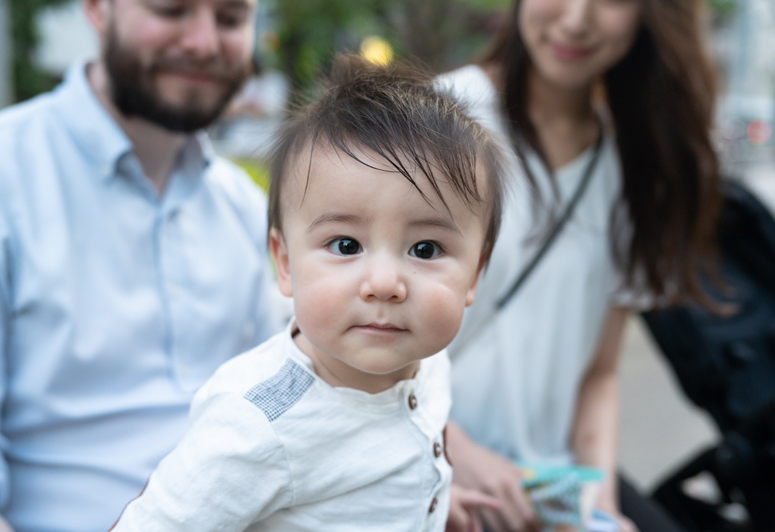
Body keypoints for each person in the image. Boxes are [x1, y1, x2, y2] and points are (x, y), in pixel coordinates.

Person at [110, 54, 506, 531]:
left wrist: (435, 500)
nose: (383, 283)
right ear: (285, 263)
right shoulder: (259, 428)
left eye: (425, 248)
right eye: (345, 245)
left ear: (475, 274)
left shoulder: (429, 360)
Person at [0, 0, 284, 531]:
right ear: (96, 9)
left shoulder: (244, 208)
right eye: (171, 11)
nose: (204, 43)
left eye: (230, 19)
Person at [437, 0, 723, 531]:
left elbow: (598, 372)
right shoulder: (439, 117)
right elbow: (353, 331)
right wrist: (456, 454)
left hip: (544, 490)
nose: (575, 18)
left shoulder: (635, 168)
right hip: (422, 469)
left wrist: (603, 510)